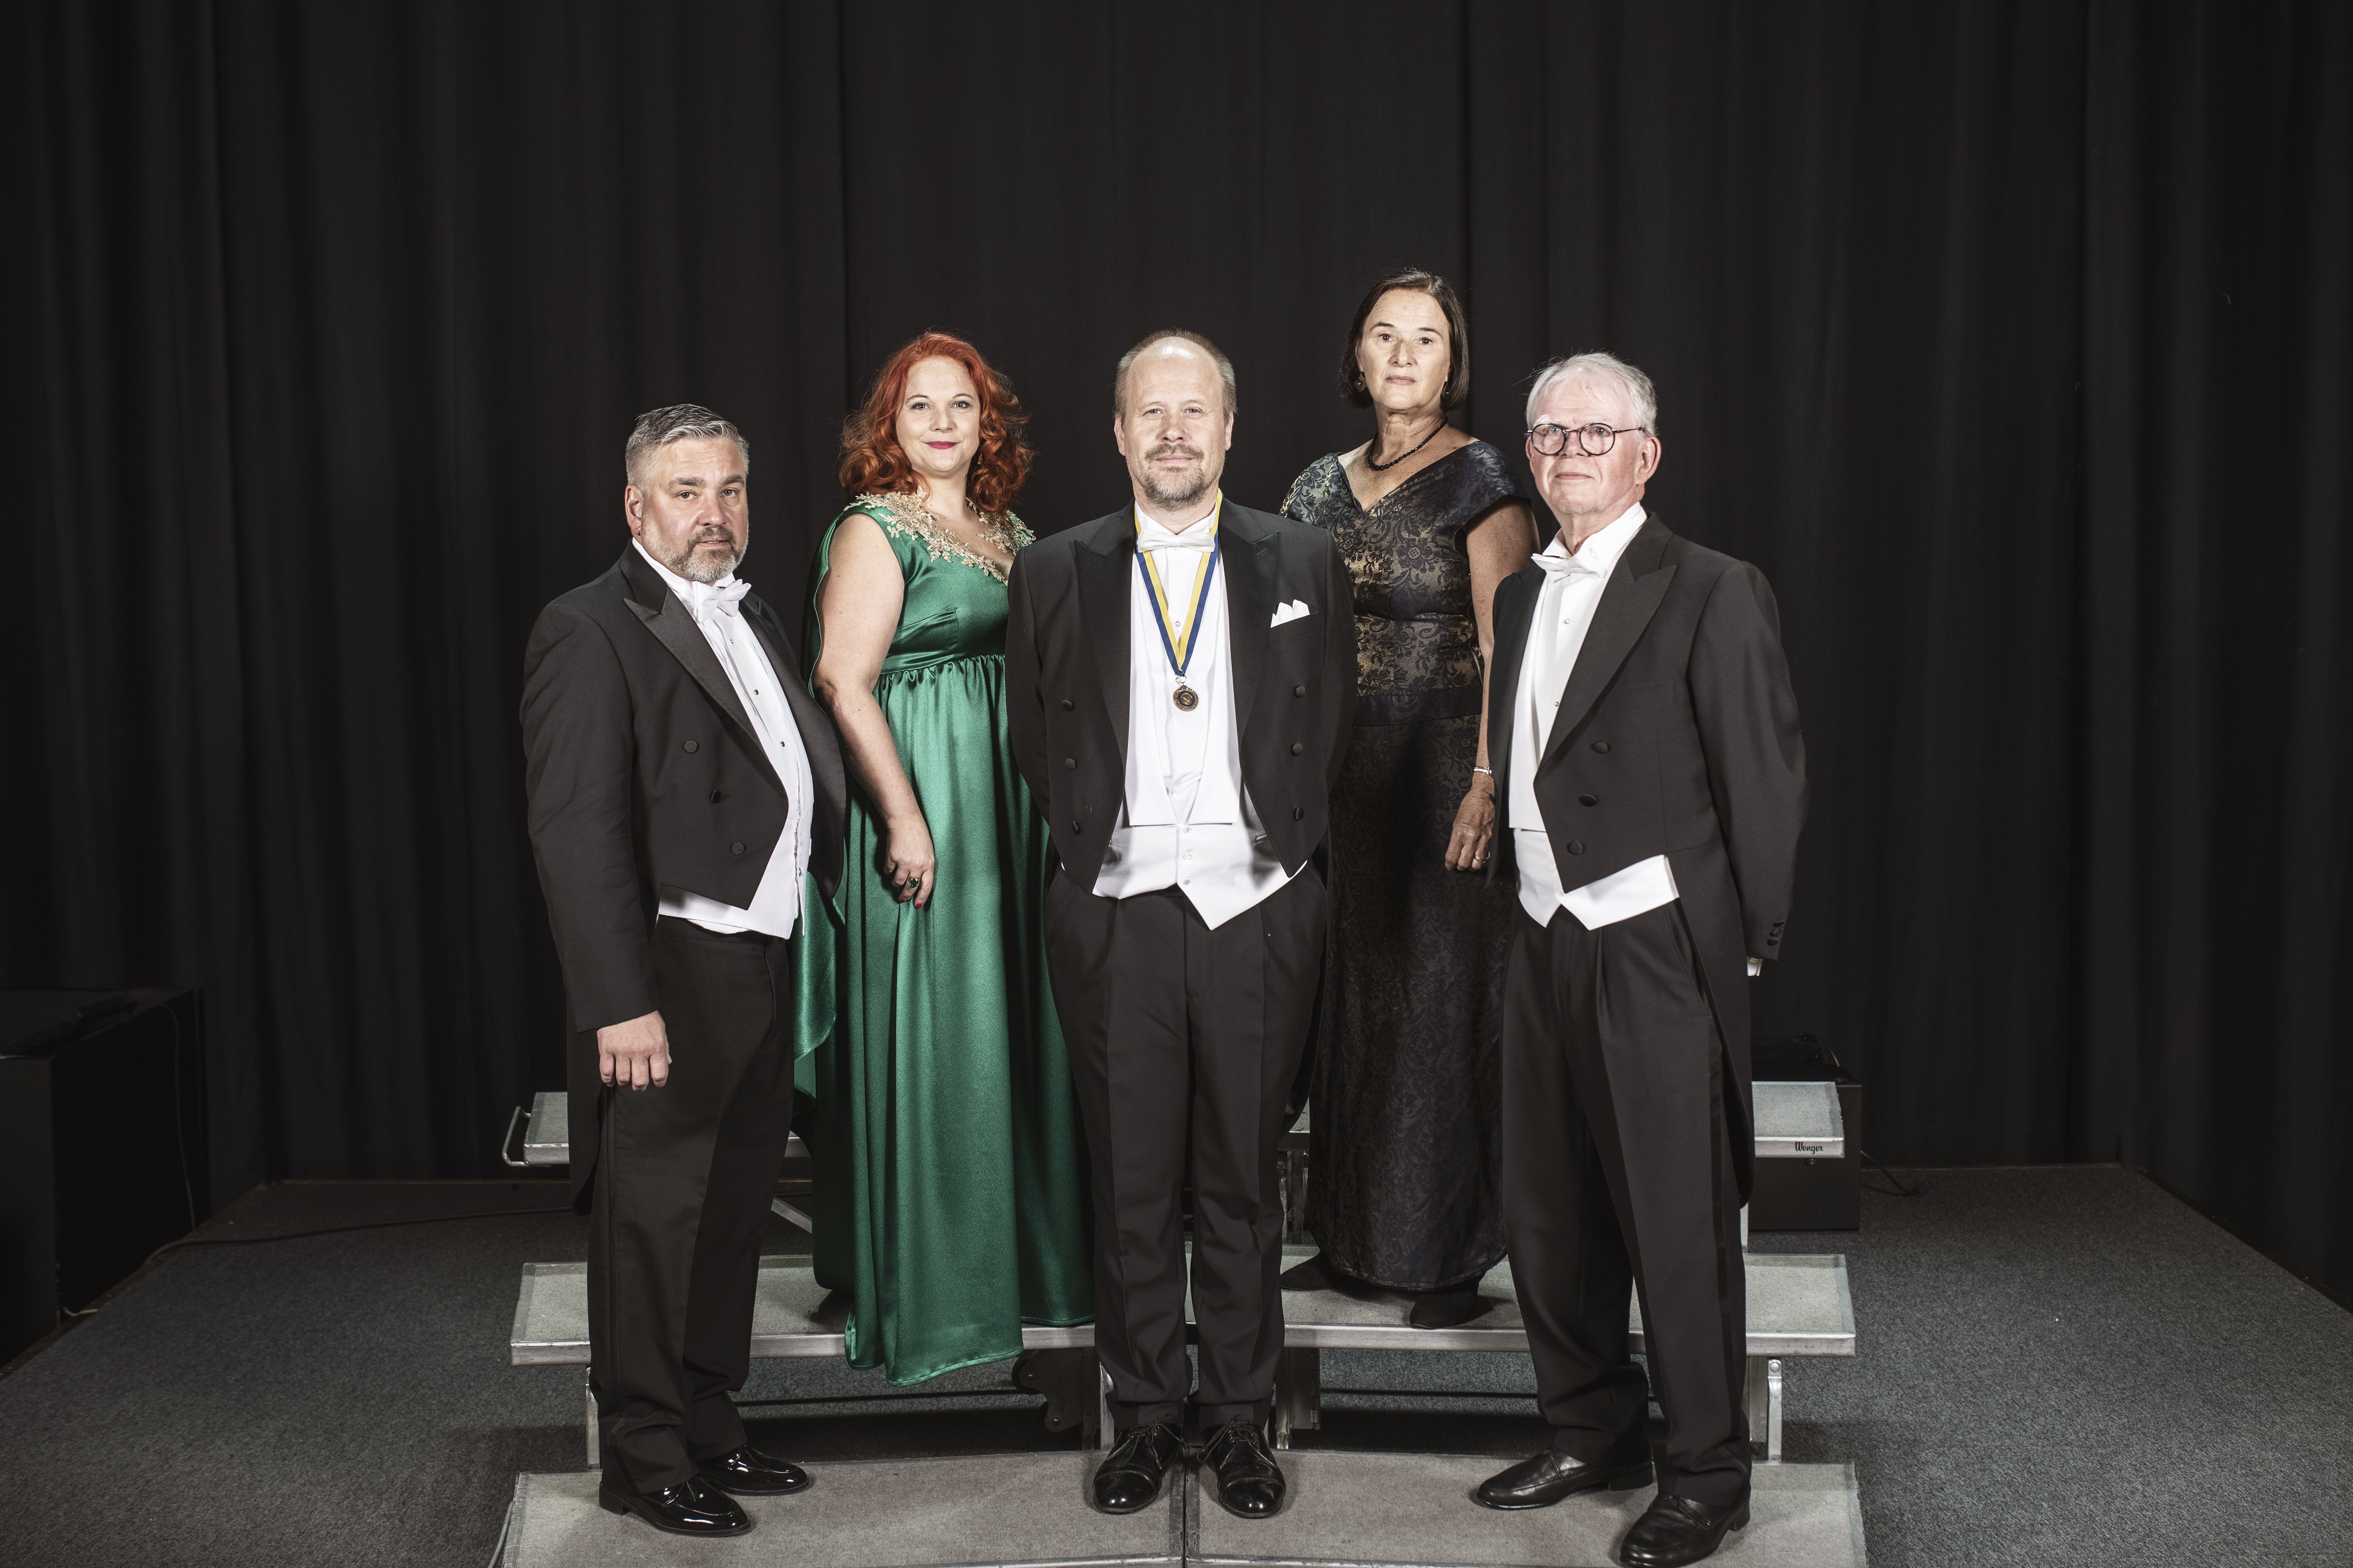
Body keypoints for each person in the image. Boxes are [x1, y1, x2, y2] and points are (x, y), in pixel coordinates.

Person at [1006, 331, 1355, 1522]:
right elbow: (1035, 739)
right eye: (1150, 413)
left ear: (1228, 427)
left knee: (1244, 1179)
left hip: (1254, 899)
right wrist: (1096, 848)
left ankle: (1242, 1417)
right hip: (1116, 907)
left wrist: (1285, 853)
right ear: (1118, 432)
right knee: (1133, 1176)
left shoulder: (1300, 555)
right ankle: (1149, 1413)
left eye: (1193, 411)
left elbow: (1332, 718)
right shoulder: (1054, 568)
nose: (1172, 432)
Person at [1472, 353, 1805, 1568]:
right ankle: (1590, 1431)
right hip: (1542, 932)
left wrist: (1740, 949)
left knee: (1676, 1220)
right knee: (1550, 1212)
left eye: (1595, 434)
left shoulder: (1712, 586)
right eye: (1549, 435)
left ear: (1646, 455)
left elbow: (1765, 776)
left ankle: (1707, 1473)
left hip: (1655, 939)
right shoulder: (1522, 591)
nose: (1570, 453)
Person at [520, 405, 848, 1539]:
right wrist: (620, 1002)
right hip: (669, 968)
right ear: (636, 506)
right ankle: (643, 1457)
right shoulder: (586, 627)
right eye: (687, 490)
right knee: (653, 1226)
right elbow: (577, 833)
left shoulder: (753, 610)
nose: (715, 513)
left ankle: (710, 1421)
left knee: (732, 1210)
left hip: (763, 953)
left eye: (731, 489)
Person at [801, 332, 1091, 1386]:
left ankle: (1036, 1288)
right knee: (949, 1028)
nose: (940, 422)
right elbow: (843, 680)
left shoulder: (1009, 531)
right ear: (890, 423)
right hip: (930, 799)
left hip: (1010, 806)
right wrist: (904, 817)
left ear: (986, 424)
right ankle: (942, 1295)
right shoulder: (876, 526)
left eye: (960, 405)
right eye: (918, 405)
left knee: (1017, 1031)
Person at [1278, 267, 1537, 1327]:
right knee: (1350, 1011)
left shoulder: (1484, 480)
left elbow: (1510, 649)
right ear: (1357, 353)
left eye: (1425, 338)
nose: (1401, 354)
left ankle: (1448, 1258)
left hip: (1443, 787)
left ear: (1451, 361)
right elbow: (1278, 628)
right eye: (1383, 334)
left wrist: (1487, 783)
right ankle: (1349, 1240)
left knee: (1441, 1011)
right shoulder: (1314, 486)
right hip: (1340, 790)